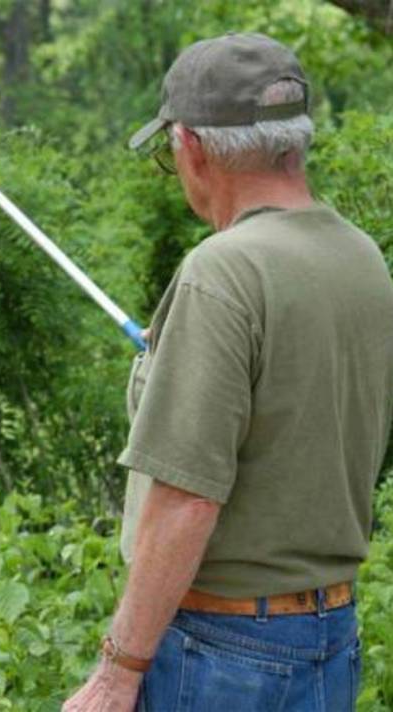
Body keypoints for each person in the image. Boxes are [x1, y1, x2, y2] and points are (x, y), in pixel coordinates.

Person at [63, 32, 393, 712]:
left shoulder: (224, 271)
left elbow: (188, 497)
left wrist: (118, 672)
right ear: (292, 140)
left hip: (224, 654)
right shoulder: (361, 257)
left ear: (192, 145)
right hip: (330, 638)